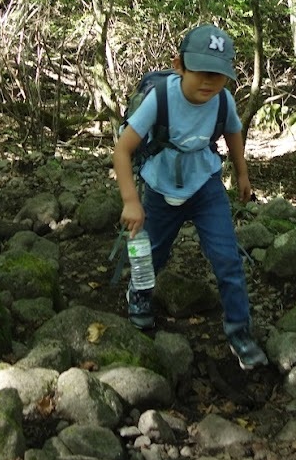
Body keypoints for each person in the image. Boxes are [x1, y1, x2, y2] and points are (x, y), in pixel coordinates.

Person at [112, 23, 269, 370]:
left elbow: (233, 132)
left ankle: (239, 331)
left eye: (218, 74)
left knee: (227, 258)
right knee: (152, 253)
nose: (209, 82)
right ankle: (139, 294)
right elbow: (122, 150)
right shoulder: (160, 98)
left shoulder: (223, 100)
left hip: (205, 186)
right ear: (179, 65)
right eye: (201, 71)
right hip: (159, 187)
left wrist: (242, 174)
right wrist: (130, 201)